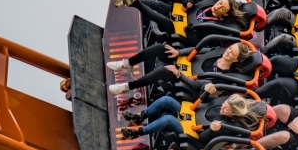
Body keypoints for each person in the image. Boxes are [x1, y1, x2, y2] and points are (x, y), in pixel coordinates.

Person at [106, 41, 254, 95]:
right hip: (185, 64)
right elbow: (196, 50)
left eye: (231, 53)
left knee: (164, 71)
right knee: (161, 47)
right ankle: (128, 64)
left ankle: (128, 87)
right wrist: (179, 52)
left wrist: (179, 74)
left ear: (236, 59)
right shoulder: (216, 52)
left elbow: (198, 85)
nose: (227, 52)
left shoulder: (225, 76)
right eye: (229, 49)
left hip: (186, 82)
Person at [119, 93, 267, 140]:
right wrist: (207, 90)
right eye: (224, 104)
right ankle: (140, 116)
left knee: (168, 120)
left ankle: (137, 133)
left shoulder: (229, 126)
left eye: (226, 108)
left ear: (233, 113)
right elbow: (206, 97)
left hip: (193, 133)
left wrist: (212, 130)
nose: (222, 106)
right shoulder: (226, 100)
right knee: (166, 100)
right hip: (194, 114)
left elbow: (203, 138)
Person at [114, 0, 251, 36]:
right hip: (184, 14)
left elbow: (198, 40)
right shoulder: (210, 0)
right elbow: (191, 0)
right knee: (163, 6)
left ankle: (133, 1)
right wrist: (188, 2)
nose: (218, 6)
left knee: (164, 21)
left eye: (222, 8)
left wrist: (191, 30)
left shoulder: (218, 28)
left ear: (225, 14)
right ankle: (131, 0)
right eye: (220, 3)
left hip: (183, 31)